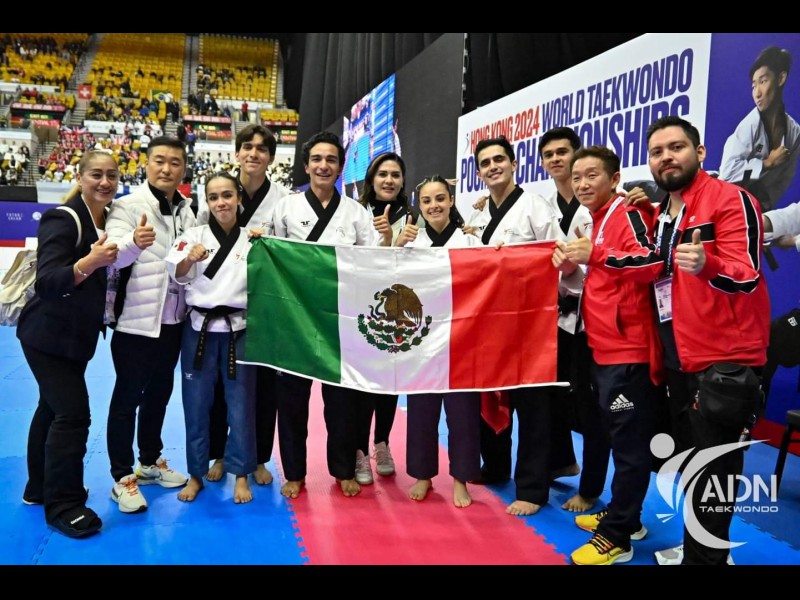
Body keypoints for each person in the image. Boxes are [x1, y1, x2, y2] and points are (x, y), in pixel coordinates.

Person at [647, 116, 770, 565]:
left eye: (676, 147)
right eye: (657, 151)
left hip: (724, 359)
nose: (666, 157)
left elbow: (748, 273)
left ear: (699, 153)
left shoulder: (731, 199)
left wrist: (708, 264)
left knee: (716, 472)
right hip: (678, 356)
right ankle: (700, 548)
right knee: (692, 465)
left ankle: (706, 558)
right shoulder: (662, 213)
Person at [555, 145, 663, 565]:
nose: (582, 183)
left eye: (592, 175)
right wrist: (575, 263)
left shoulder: (627, 212)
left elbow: (651, 263)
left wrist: (595, 254)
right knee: (621, 438)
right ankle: (626, 517)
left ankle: (618, 536)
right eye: (577, 177)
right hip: (605, 346)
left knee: (630, 445)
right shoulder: (598, 219)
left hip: (628, 350)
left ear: (614, 179)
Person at [268, 131, 392, 499]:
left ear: (340, 168)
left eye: (331, 160)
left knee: (341, 403)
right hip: (295, 318)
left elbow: (371, 262)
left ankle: (342, 470)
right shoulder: (286, 208)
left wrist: (388, 242)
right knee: (292, 402)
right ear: (306, 166)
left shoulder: (356, 213)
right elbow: (272, 257)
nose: (324, 165)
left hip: (341, 318)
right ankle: (294, 473)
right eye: (317, 159)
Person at [17, 151, 120, 538]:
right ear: (80, 177)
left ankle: (38, 488)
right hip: (46, 337)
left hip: (74, 338)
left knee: (50, 408)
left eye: (111, 175)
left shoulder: (106, 220)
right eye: (96, 174)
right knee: (73, 414)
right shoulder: (63, 218)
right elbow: (47, 283)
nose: (104, 182)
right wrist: (89, 262)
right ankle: (64, 505)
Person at [466, 135, 562, 516]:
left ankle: (533, 488)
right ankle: (495, 466)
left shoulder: (535, 206)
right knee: (489, 396)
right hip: (488, 321)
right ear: (479, 172)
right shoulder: (477, 216)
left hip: (529, 321)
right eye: (486, 163)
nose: (493, 167)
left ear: (514, 163)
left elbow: (557, 256)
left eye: (499, 160)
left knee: (532, 405)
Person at [105, 137, 195, 513]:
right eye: (159, 160)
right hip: (135, 324)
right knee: (127, 399)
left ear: (183, 168)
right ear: (146, 164)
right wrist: (133, 242)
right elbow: (110, 256)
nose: (166, 168)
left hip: (172, 322)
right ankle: (121, 477)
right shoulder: (127, 205)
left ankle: (149, 462)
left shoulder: (187, 211)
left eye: (175, 162)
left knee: (159, 395)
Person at [197, 124, 289, 487]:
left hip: (264, 307)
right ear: (237, 153)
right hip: (222, 303)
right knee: (221, 387)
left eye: (262, 149)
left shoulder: (282, 200)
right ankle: (221, 453)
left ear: (270, 157)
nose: (254, 153)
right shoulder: (218, 192)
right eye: (247, 147)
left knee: (263, 389)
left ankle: (259, 457)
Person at [166, 173, 256, 504]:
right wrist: (189, 258)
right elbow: (175, 273)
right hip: (199, 330)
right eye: (214, 197)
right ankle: (195, 473)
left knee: (241, 405)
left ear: (239, 198)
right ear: (207, 201)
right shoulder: (192, 236)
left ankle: (241, 474)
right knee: (196, 404)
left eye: (227, 195)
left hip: (239, 330)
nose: (221, 202)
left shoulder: (253, 239)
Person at [395, 175, 481, 506]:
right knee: (421, 411)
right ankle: (423, 475)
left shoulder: (470, 241)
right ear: (419, 206)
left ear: (451, 201)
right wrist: (395, 247)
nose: (434, 205)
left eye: (440, 198)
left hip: (462, 338)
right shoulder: (410, 245)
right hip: (422, 340)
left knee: (463, 413)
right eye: (427, 201)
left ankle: (461, 478)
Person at [538, 126, 610, 513]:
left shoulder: (605, 206)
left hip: (596, 320)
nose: (556, 160)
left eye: (562, 152)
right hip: (559, 318)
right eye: (548, 154)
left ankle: (591, 486)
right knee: (552, 393)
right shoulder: (543, 206)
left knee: (590, 404)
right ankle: (562, 460)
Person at [352, 152, 415, 484]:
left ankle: (382, 443)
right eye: (382, 174)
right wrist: (385, 242)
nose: (389, 180)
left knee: (390, 384)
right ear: (371, 179)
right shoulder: (355, 213)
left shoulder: (414, 216)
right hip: (362, 310)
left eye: (395, 174)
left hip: (400, 313)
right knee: (362, 386)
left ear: (402, 181)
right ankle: (359, 451)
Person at [719, 46, 799, 211]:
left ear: (780, 78)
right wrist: (767, 163)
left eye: (763, 82)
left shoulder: (795, 132)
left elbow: (785, 178)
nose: (757, 93)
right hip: (725, 204)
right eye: (753, 86)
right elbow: (727, 173)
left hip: (758, 208)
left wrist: (764, 206)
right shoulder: (749, 125)